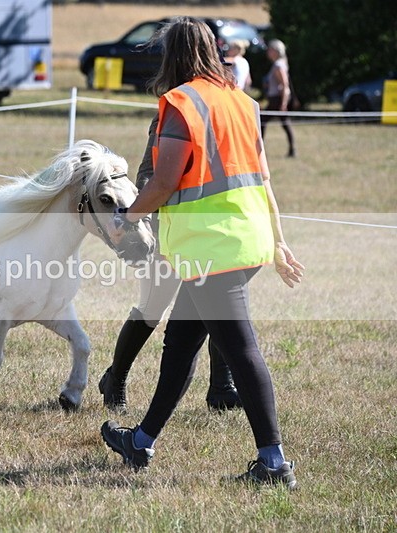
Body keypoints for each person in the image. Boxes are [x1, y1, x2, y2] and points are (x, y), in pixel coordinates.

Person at [102, 17, 305, 489]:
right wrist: (275, 241)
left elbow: (165, 180)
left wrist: (126, 219)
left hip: (212, 249)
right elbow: (265, 181)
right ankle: (142, 441)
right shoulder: (244, 103)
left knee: (241, 349)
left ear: (172, 56)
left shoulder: (180, 103)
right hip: (243, 240)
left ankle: (273, 464)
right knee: (181, 343)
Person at [99, 114, 243, 413]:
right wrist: (148, 221)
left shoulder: (225, 111)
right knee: (152, 308)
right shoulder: (173, 114)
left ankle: (221, 387)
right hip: (170, 229)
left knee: (219, 304)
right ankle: (116, 379)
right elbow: (149, 175)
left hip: (212, 230)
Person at [261, 39, 296, 157]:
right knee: (285, 123)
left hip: (277, 99)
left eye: (270, 49)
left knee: (261, 121)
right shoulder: (280, 63)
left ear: (276, 51)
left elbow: (285, 86)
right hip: (276, 98)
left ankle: (259, 150)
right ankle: (292, 150)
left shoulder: (278, 65)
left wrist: (283, 103)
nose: (268, 52)